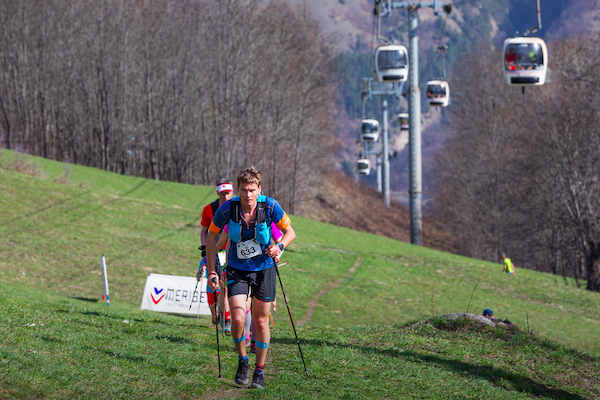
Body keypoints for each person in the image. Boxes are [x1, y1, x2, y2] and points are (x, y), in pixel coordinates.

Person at [206, 166, 296, 390]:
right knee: (237, 318)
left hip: (264, 268)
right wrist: (212, 271)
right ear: (238, 190)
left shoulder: (270, 206)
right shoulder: (228, 208)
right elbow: (211, 238)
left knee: (261, 320)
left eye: (252, 190)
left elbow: (290, 232)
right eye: (244, 190)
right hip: (237, 268)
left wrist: (280, 247)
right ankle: (243, 360)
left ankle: (260, 370)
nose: (248, 194)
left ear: (259, 190)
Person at [197, 179, 234, 332]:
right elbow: (204, 231)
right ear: (218, 193)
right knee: (214, 283)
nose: (225, 198)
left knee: (226, 288)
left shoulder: (239, 208)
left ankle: (227, 320)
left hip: (232, 252)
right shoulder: (209, 210)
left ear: (233, 192)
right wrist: (206, 249)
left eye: (228, 194)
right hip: (216, 252)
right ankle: (215, 314)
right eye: (222, 194)